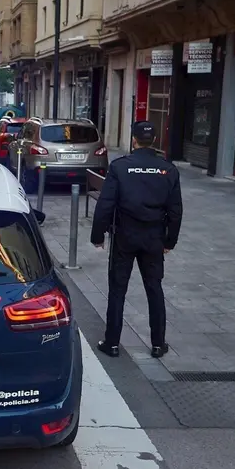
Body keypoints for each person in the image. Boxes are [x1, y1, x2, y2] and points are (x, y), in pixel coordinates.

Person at [90, 121, 183, 359]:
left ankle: (111, 343)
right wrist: (169, 241)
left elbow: (106, 203)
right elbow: (175, 210)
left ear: (134, 140)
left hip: (125, 237)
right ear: (154, 141)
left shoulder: (121, 167)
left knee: (118, 289)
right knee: (154, 289)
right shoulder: (168, 170)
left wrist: (97, 236)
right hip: (153, 238)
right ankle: (158, 344)